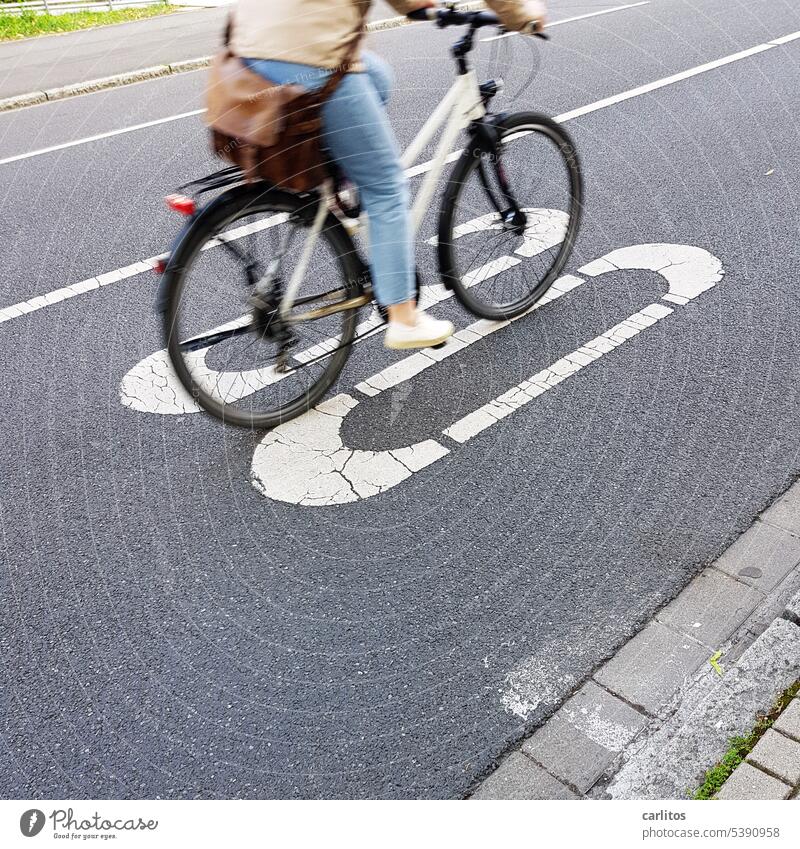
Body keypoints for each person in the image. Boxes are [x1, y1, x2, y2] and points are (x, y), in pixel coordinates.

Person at [230, 0, 548, 350]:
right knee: (387, 186)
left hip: (251, 45)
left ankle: (342, 189)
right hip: (311, 56)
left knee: (377, 75)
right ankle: (403, 317)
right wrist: (521, 14)